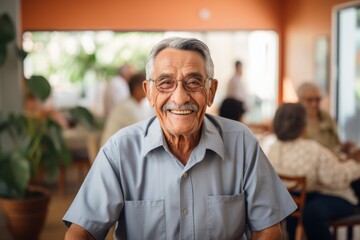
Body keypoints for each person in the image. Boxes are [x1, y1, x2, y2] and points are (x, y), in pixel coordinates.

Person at [63, 37, 296, 240]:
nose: (181, 97)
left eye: (194, 82)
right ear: (149, 93)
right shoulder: (120, 150)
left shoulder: (242, 143)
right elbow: (81, 232)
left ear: (212, 91)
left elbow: (268, 229)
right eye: (165, 83)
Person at [266, 102, 360, 240]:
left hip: (290, 202)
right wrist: (355, 163)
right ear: (303, 123)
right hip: (321, 197)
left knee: (304, 208)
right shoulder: (313, 149)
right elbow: (337, 179)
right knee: (314, 211)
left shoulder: (272, 147)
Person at [100, 71, 152, 146]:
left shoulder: (138, 105)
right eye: (146, 86)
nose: (150, 90)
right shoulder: (125, 108)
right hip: (113, 152)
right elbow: (144, 132)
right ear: (136, 88)